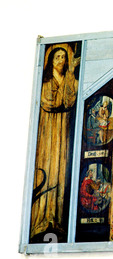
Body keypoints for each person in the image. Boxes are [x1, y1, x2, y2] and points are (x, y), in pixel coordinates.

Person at [30, 44, 80, 242]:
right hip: (48, 134)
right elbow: (52, 102)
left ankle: (56, 221)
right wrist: (68, 77)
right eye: (56, 57)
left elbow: (69, 100)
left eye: (63, 57)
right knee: (47, 172)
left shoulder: (69, 78)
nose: (60, 60)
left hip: (63, 131)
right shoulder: (46, 83)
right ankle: (42, 220)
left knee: (61, 174)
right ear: (50, 61)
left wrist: (70, 74)